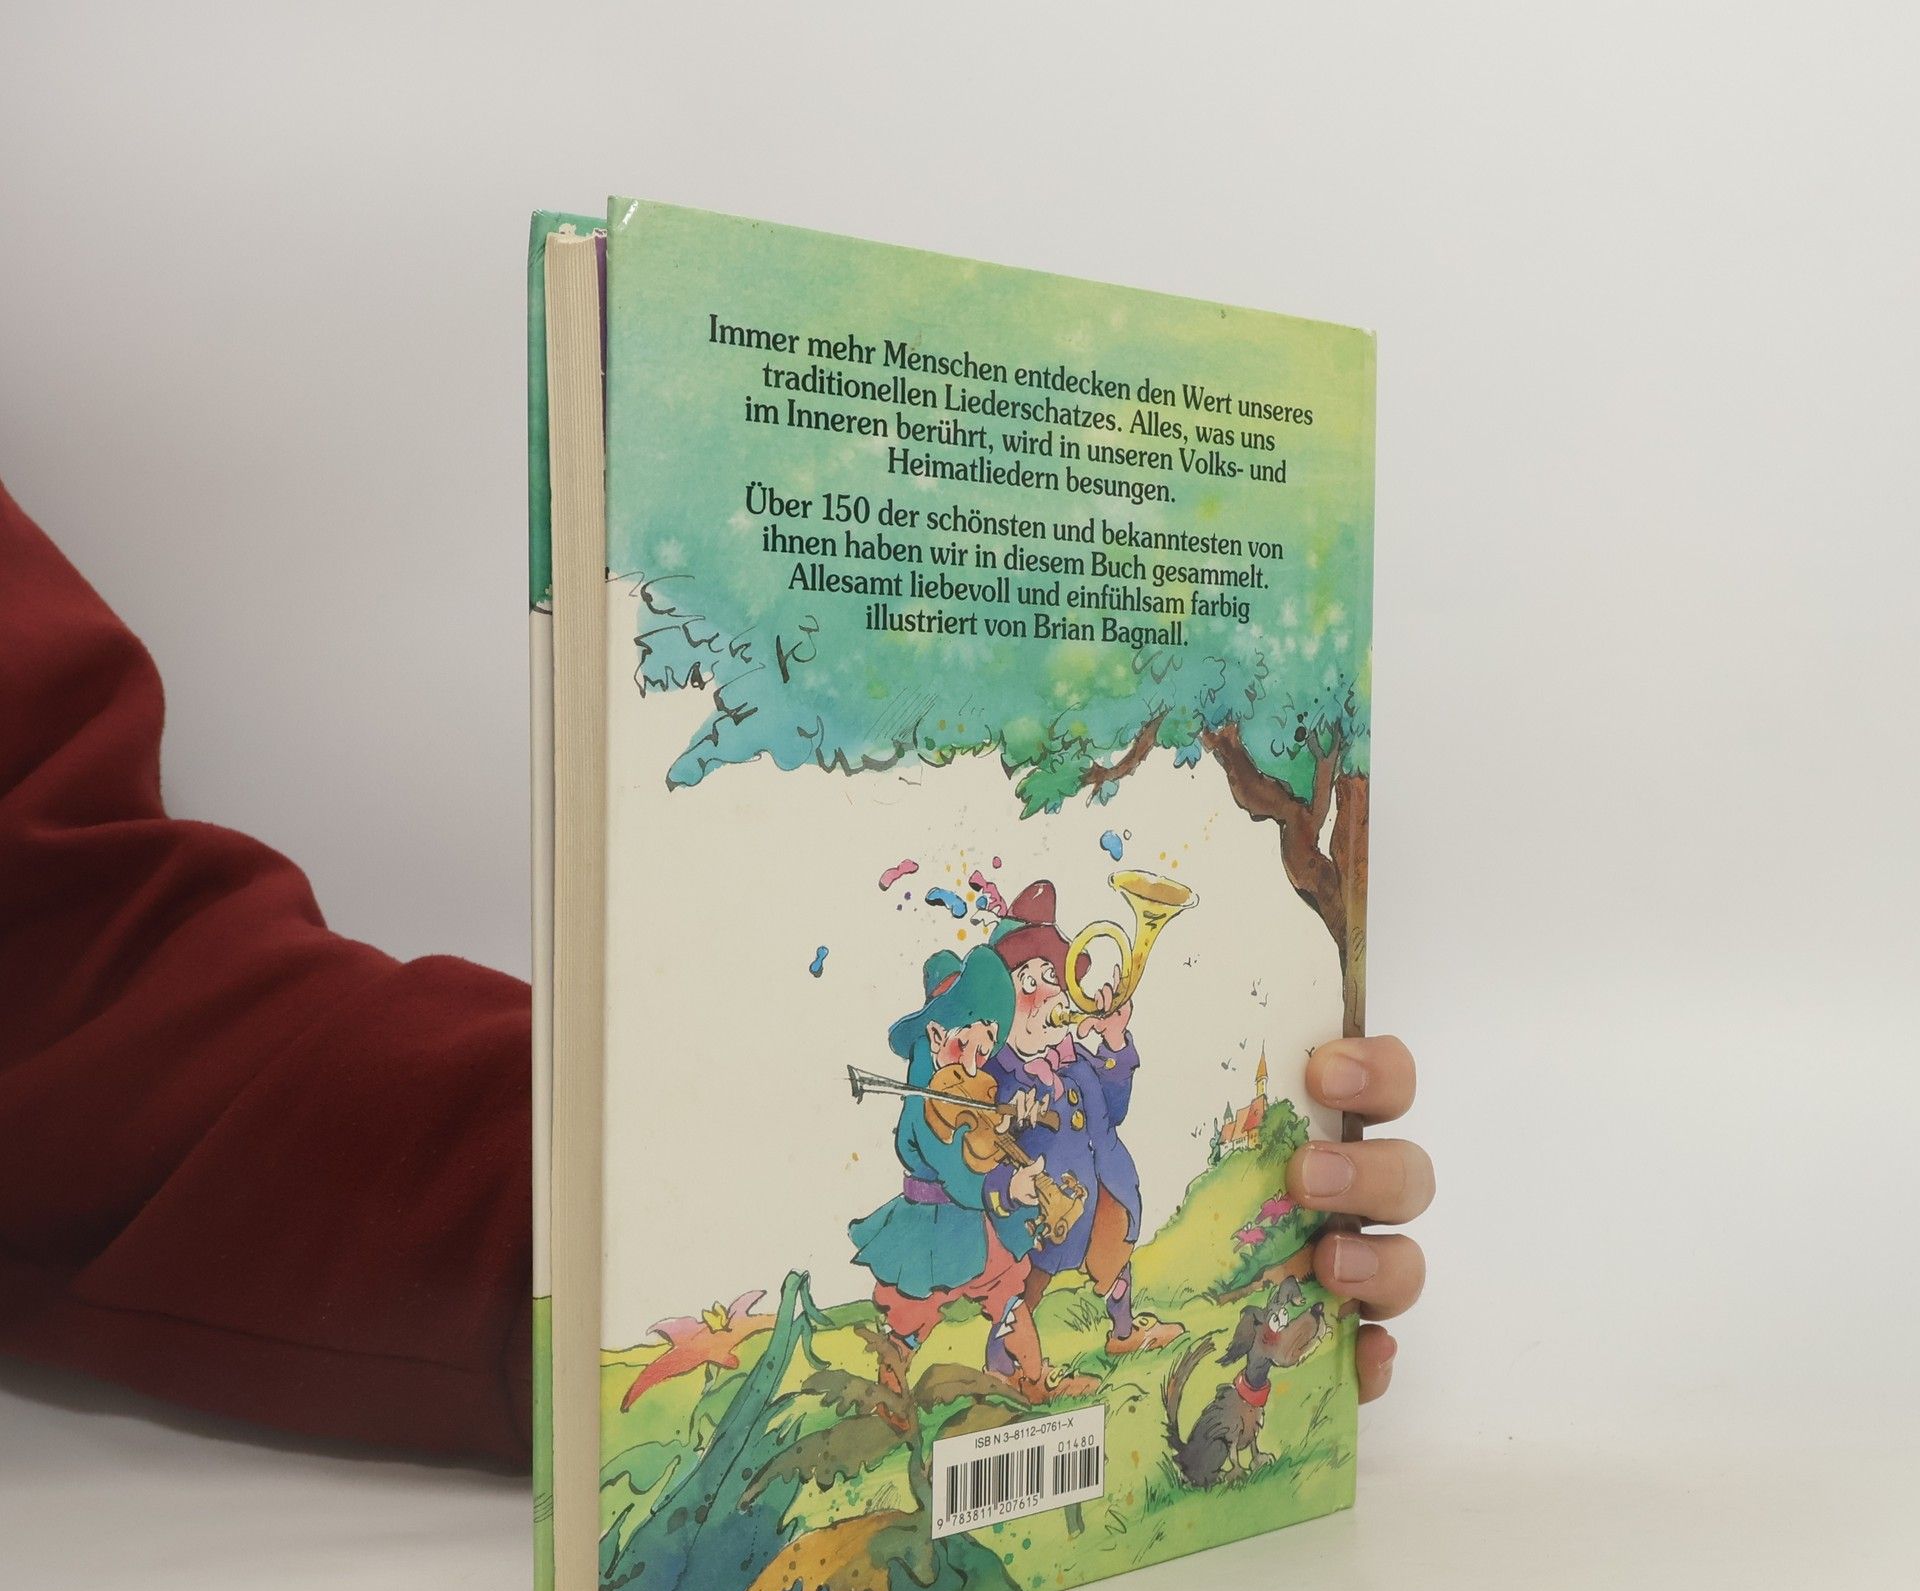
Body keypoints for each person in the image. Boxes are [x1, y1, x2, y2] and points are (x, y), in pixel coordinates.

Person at [0, 481, 1433, 1465]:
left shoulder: (1037, 1045)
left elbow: (73, 965)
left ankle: (1101, 1321)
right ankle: (967, 1346)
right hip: (967, 1199)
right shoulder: (956, 1070)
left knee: (1097, 1217)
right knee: (972, 1272)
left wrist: (671, 1193)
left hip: (997, 1179)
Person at [988, 879, 1182, 1359]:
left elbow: (1115, 1110)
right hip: (1044, 1211)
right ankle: (1004, 1365)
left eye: (1049, 977)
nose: (1044, 995)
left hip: (1101, 1186)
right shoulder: (998, 1077)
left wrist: (1114, 1042)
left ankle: (1123, 1333)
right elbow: (984, 1147)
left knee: (1115, 1257)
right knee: (1024, 1292)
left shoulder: (1074, 1059)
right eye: (1027, 983)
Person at [848, 945, 1052, 1392]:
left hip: (973, 1223)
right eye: (967, 1046)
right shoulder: (925, 1103)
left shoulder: (966, 1084)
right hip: (931, 1227)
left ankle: (1034, 1380)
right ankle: (889, 1395)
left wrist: (1013, 1120)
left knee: (1008, 1296)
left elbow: (982, 1137)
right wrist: (1007, 1189)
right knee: (913, 1314)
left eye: (985, 1049)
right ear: (937, 1036)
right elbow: (957, 1169)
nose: (976, 1064)